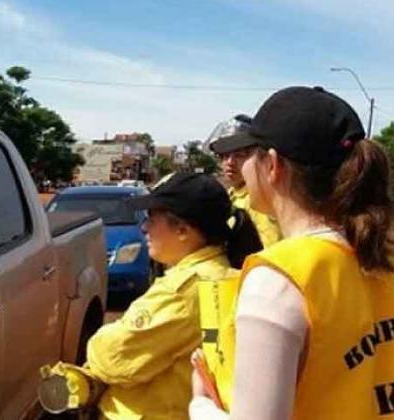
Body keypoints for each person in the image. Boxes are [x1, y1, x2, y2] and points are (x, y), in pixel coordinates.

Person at [189, 86, 394, 419]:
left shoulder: (279, 278)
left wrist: (201, 406)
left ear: (272, 165)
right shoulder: (381, 254)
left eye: (247, 155)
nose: (240, 169)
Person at [38, 173, 259, 420]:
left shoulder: (184, 290)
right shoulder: (217, 273)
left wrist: (101, 340)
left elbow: (112, 357)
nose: (144, 227)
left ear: (183, 230)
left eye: (152, 218)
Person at [208, 115, 281, 248]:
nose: (230, 162)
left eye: (239, 155)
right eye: (225, 156)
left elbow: (270, 248)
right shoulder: (232, 194)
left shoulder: (257, 198)